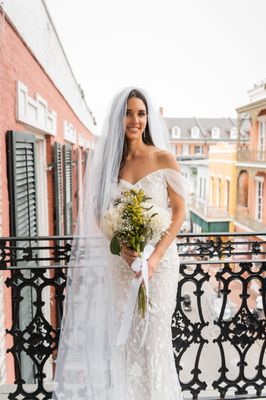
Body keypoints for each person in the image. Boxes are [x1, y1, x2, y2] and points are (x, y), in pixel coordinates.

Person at [52, 87, 187, 400]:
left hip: (161, 264)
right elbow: (98, 213)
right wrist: (121, 245)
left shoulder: (164, 158)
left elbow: (179, 213)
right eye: (128, 112)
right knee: (125, 342)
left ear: (148, 118)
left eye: (140, 113)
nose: (135, 120)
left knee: (154, 339)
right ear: (119, 118)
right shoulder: (109, 164)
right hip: (123, 264)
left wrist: (154, 258)